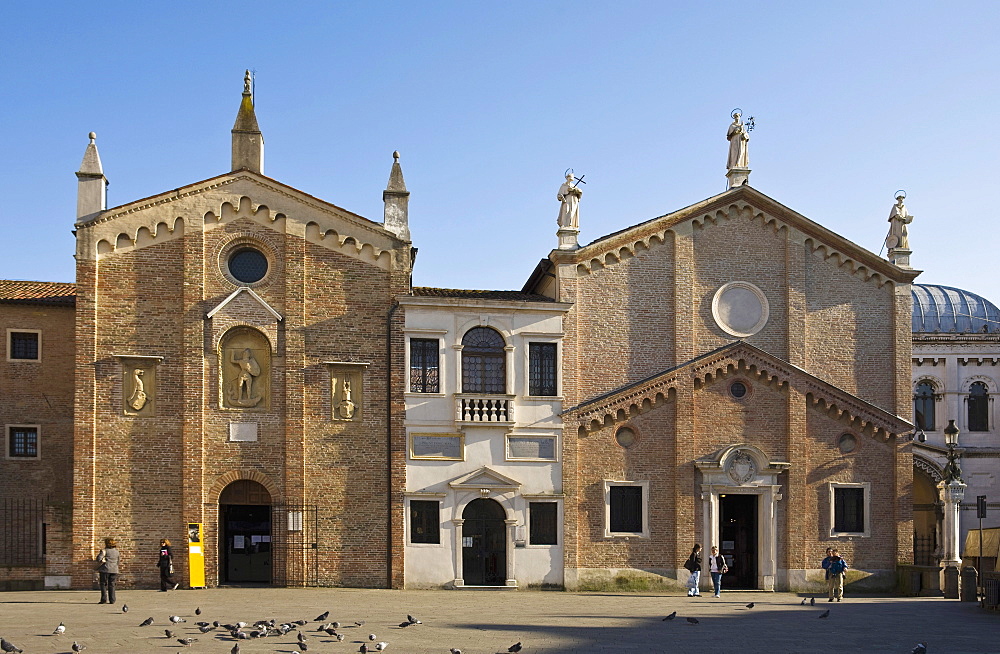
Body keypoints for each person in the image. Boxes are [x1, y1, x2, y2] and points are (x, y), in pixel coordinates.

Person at [95, 537, 120, 604]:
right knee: (112, 585)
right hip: (114, 570)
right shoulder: (117, 551)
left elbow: (98, 559)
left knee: (103, 584)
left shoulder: (104, 551)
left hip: (105, 569)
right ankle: (112, 600)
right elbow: (118, 561)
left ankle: (104, 599)